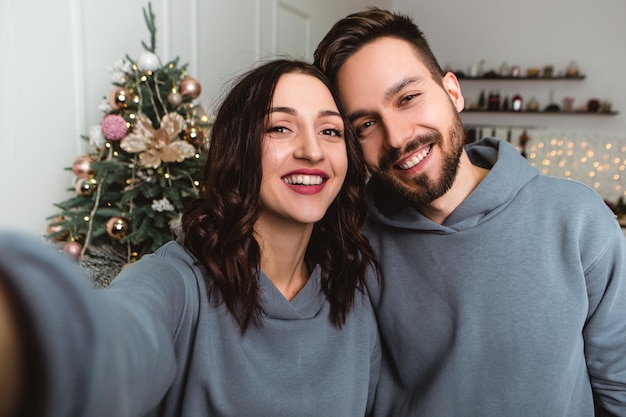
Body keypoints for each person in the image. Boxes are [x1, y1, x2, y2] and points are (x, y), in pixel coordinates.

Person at [0, 59, 382, 417]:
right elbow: (115, 341)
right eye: (279, 127)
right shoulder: (178, 283)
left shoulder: (355, 294)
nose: (313, 151)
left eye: (330, 131)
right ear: (239, 149)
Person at [314, 8, 626, 417]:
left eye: (407, 98)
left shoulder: (577, 218)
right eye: (366, 125)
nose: (397, 137)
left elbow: (618, 383)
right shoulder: (354, 239)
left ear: (452, 92)